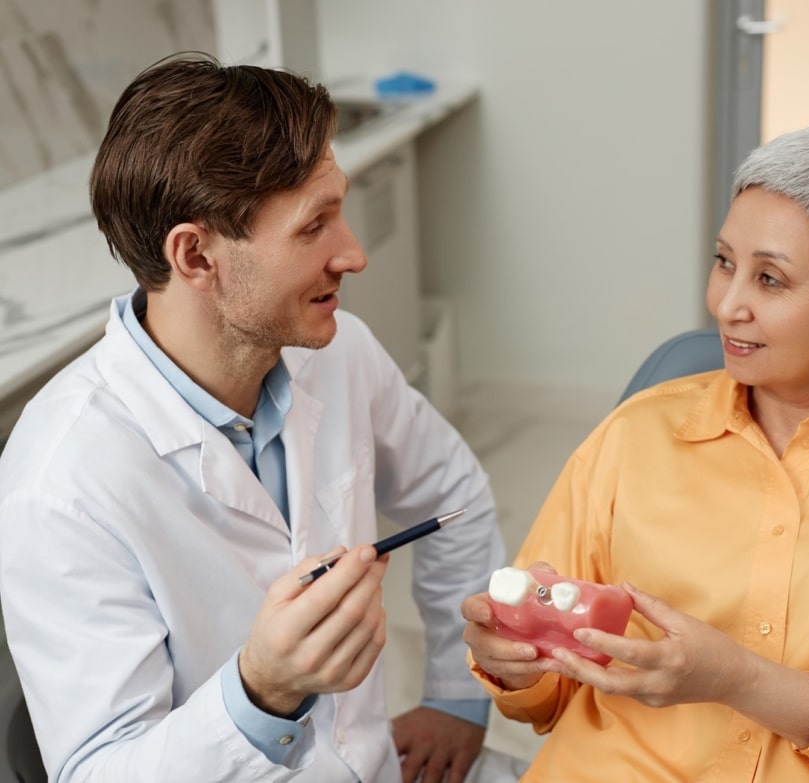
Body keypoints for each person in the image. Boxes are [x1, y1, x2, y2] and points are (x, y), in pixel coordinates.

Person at [462, 121, 809, 780]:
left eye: (771, 279)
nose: (727, 304)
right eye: (725, 262)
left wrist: (742, 680)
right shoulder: (636, 433)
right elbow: (545, 690)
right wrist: (514, 661)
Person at [0, 52, 507, 783]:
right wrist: (260, 692)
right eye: (315, 226)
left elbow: (451, 496)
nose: (354, 253)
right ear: (196, 255)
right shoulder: (59, 483)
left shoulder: (338, 352)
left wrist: (458, 697)